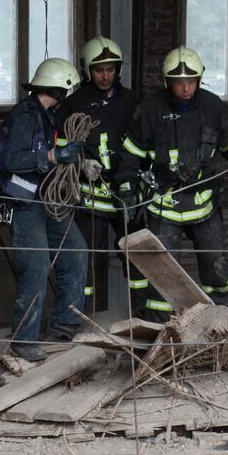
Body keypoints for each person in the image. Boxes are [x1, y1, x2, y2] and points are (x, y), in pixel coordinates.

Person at [117, 46, 228, 320]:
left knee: (216, 267)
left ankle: (226, 322)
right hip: (163, 206)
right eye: (179, 82)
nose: (185, 88)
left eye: (190, 81)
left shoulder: (213, 108)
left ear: (199, 78)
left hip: (204, 205)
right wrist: (127, 190)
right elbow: (130, 153)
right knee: (163, 272)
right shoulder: (150, 110)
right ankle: (160, 330)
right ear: (167, 81)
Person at [0, 58, 88, 362]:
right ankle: (24, 339)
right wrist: (53, 155)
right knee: (36, 266)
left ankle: (64, 324)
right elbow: (12, 161)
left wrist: (80, 163)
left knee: (75, 250)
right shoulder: (26, 116)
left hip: (47, 200)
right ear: (60, 90)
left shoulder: (46, 115)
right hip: (24, 204)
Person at [55, 36, 140, 307]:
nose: (105, 76)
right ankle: (83, 319)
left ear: (118, 70)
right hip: (89, 196)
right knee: (85, 256)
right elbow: (60, 148)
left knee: (136, 254)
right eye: (98, 70)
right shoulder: (74, 104)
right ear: (87, 70)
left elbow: (145, 143)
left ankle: (144, 315)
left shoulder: (133, 101)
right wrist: (79, 165)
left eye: (110, 69)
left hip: (126, 194)